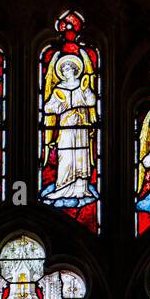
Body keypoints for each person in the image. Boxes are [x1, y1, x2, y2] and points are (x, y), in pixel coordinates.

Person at [41, 54, 97, 205]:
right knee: (65, 156)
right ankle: (62, 188)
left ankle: (81, 188)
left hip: (81, 126)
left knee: (80, 154)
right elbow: (47, 108)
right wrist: (60, 104)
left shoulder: (82, 85)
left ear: (75, 70)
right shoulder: (59, 89)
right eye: (63, 70)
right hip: (66, 126)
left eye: (68, 69)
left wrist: (86, 91)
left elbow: (92, 101)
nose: (66, 72)